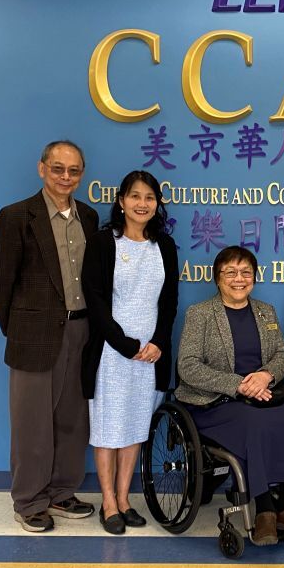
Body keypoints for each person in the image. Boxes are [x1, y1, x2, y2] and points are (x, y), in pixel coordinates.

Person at [0, 140, 98, 532]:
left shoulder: (88, 217)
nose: (66, 177)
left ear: (81, 174)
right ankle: (30, 501)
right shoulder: (16, 216)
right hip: (33, 334)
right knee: (31, 424)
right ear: (42, 168)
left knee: (73, 420)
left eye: (74, 170)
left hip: (81, 330)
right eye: (58, 168)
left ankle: (62, 492)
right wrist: (18, 327)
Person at [176, 246, 284, 546]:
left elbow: (281, 356)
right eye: (230, 272)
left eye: (246, 272)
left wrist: (266, 375)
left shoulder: (265, 311)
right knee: (255, 425)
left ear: (254, 277)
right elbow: (188, 366)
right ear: (218, 278)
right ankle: (265, 510)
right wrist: (238, 384)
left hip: (262, 394)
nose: (239, 279)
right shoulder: (200, 314)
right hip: (215, 402)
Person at [81, 171, 178, 535]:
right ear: (121, 201)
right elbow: (95, 300)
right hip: (111, 353)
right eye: (135, 196)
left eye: (149, 197)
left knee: (136, 426)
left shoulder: (163, 245)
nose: (142, 203)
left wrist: (158, 343)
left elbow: (170, 302)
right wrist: (125, 344)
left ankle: (124, 499)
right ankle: (108, 502)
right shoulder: (103, 242)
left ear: (157, 204)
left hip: (150, 355)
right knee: (108, 428)